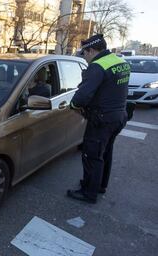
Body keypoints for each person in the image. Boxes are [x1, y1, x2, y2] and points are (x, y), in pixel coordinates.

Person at [67, 34, 129, 203]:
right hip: (118, 116)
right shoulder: (120, 62)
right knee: (105, 153)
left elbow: (81, 97)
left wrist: (73, 105)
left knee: (92, 156)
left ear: (92, 50)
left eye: (85, 53)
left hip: (101, 119)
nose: (85, 57)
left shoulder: (97, 67)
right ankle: (100, 185)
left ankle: (88, 193)